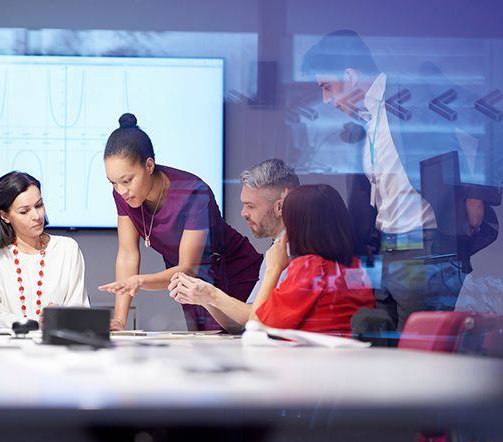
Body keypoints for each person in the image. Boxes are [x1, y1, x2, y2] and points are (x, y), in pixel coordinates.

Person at [301, 30, 503, 331]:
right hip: (384, 255)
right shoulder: (364, 122)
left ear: (349, 75)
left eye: (327, 87)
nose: (326, 99)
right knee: (383, 358)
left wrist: (477, 193)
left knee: (417, 358)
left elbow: (496, 123)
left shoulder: (417, 91)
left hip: (426, 251)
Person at [98, 113, 262, 331]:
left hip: (232, 273)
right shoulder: (123, 194)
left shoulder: (192, 192)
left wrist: (140, 281)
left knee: (244, 344)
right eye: (113, 183)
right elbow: (128, 254)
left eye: (126, 181)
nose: (121, 191)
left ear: (149, 165)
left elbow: (188, 268)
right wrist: (119, 319)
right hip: (190, 285)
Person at [168, 159, 300, 333]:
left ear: (279, 207)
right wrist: (204, 298)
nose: (243, 213)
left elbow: (256, 320)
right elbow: (243, 323)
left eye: (250, 206)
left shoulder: (296, 253)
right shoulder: (275, 252)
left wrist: (211, 294)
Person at [249, 184, 374, 334]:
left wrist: (273, 269)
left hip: (312, 356)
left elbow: (255, 327)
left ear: (296, 228)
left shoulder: (311, 268)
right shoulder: (355, 267)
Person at [0, 171, 89, 328]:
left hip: (56, 347)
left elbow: (79, 310)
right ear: (4, 216)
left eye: (39, 205)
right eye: (24, 211)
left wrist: (60, 317)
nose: (36, 216)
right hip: (6, 347)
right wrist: (33, 325)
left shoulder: (67, 249)